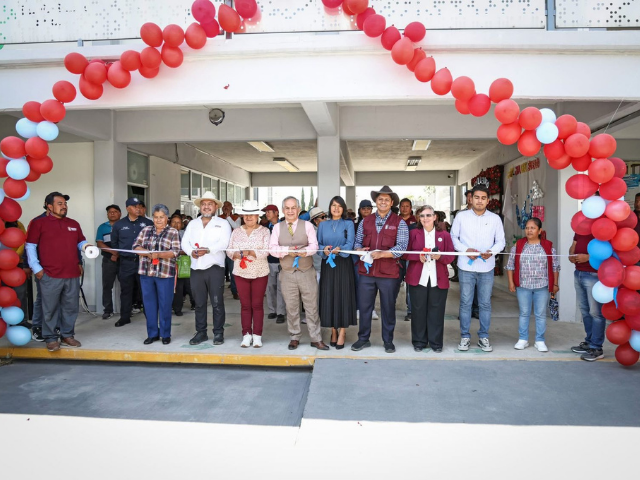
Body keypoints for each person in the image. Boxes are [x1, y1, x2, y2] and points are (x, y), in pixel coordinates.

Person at [25, 192, 94, 352]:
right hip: (49, 274)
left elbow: (80, 242)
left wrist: (87, 247)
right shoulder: (39, 223)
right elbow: (30, 246)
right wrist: (36, 268)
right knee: (50, 308)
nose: (64, 206)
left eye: (65, 204)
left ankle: (67, 335)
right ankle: (50, 338)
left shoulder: (73, 224)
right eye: (60, 203)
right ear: (49, 206)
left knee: (70, 307)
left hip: (71, 273)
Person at [351, 186, 409, 354]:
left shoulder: (399, 222)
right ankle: (363, 338)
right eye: (380, 199)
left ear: (391, 203)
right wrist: (359, 249)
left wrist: (382, 254)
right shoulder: (365, 221)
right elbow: (357, 242)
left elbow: (402, 247)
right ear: (376, 202)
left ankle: (388, 340)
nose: (383, 202)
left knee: (388, 308)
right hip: (367, 272)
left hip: (389, 273)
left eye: (386, 200)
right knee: (364, 307)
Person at [451, 184, 506, 353]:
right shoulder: (461, 216)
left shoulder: (495, 219)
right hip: (466, 267)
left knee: (485, 303)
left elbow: (501, 241)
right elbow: (453, 237)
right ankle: (465, 337)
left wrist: (492, 251)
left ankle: (483, 337)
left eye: (483, 198)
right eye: (476, 197)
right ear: (471, 199)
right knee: (465, 303)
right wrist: (465, 250)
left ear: (488, 200)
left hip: (486, 267)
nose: (480, 201)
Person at [268, 196, 328, 351]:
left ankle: (316, 338)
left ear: (298, 209)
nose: (290, 211)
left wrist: (304, 251)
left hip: (306, 271)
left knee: (311, 307)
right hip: (287, 272)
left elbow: (314, 246)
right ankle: (294, 336)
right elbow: (272, 249)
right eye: (287, 208)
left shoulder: (307, 225)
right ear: (283, 210)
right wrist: (287, 250)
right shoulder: (277, 228)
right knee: (291, 307)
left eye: (293, 207)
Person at [182, 192, 231, 346]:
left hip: (214, 267)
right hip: (196, 267)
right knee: (199, 303)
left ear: (215, 207)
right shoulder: (192, 224)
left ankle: (218, 333)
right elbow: (184, 242)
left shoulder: (223, 223)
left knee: (217, 302)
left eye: (210, 204)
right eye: (204, 204)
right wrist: (191, 252)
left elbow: (225, 242)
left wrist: (208, 250)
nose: (206, 207)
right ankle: (201, 332)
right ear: (200, 207)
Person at [404, 205, 455, 353]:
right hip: (417, 278)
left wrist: (441, 257)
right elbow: (404, 253)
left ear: (434, 217)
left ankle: (436, 343)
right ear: (419, 218)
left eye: (428, 215)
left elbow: (451, 256)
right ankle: (419, 341)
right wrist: (417, 256)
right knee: (418, 311)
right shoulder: (413, 233)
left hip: (438, 278)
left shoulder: (444, 235)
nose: (425, 218)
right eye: (422, 216)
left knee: (437, 312)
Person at [505, 218, 560, 352]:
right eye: (527, 228)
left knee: (540, 314)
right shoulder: (519, 245)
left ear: (540, 231)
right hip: (523, 286)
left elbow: (555, 267)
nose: (529, 231)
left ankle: (540, 340)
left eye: (533, 228)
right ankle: (523, 339)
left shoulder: (548, 246)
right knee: (524, 313)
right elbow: (510, 265)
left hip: (542, 286)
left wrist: (555, 284)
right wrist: (511, 282)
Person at [132, 204, 181, 345]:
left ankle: (165, 334)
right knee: (149, 305)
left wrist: (158, 254)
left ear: (167, 218)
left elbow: (175, 251)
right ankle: (152, 334)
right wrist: (147, 253)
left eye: (161, 217)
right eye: (156, 217)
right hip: (146, 273)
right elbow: (135, 246)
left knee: (165, 305)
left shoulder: (172, 232)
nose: (158, 220)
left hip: (165, 274)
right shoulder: (145, 230)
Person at [227, 200, 271, 348]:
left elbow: (267, 251)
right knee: (245, 305)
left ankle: (257, 335)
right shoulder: (236, 231)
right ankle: (246, 334)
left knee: (257, 305)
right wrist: (236, 254)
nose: (249, 217)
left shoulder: (265, 231)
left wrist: (250, 252)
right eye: (246, 215)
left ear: (257, 216)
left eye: (252, 214)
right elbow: (229, 250)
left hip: (260, 272)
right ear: (242, 216)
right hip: (240, 272)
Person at [317, 196, 356, 349]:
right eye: (333, 205)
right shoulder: (323, 225)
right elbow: (318, 244)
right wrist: (324, 249)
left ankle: (343, 332)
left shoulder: (348, 224)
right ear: (330, 207)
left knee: (343, 296)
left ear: (343, 208)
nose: (336, 208)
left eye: (339, 206)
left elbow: (350, 243)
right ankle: (333, 331)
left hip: (344, 264)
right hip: (328, 264)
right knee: (330, 296)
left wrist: (341, 249)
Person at [110, 197, 149, 327]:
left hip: (143, 262)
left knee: (146, 290)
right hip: (126, 263)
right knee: (126, 291)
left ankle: (150, 317)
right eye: (134, 206)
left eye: (139, 206)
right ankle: (125, 317)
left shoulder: (147, 223)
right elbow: (114, 243)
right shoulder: (119, 225)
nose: (138, 209)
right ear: (128, 208)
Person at [569, 232, 606, 361]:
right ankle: (589, 343)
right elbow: (574, 245)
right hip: (578, 273)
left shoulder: (600, 229)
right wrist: (572, 254)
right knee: (585, 311)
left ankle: (597, 348)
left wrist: (588, 257)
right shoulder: (580, 229)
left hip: (593, 275)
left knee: (595, 313)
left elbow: (607, 253)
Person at [96, 204, 121, 320]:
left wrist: (118, 254)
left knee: (126, 285)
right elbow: (99, 243)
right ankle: (107, 310)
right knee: (107, 286)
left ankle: (126, 309)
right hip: (108, 260)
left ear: (120, 213)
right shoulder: (102, 227)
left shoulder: (124, 226)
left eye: (115, 211)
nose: (112, 213)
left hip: (123, 260)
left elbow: (127, 243)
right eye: (110, 212)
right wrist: (113, 253)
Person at [353, 200, 378, 320]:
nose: (366, 210)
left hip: (373, 256)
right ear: (360, 210)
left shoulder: (376, 222)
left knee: (373, 284)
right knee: (359, 283)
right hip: (358, 257)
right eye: (364, 208)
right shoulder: (354, 224)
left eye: (369, 208)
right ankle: (359, 308)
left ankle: (372, 309)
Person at [262, 204, 286, 324]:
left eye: (269, 211)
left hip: (282, 261)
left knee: (281, 288)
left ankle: (281, 312)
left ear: (276, 213)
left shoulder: (284, 227)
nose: (267, 214)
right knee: (270, 287)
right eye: (266, 212)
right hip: (269, 261)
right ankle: (272, 310)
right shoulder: (265, 228)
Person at [170, 214, 195, 316]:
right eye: (173, 222)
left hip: (184, 263)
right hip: (170, 264)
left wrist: (179, 252)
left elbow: (190, 247)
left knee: (188, 285)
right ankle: (176, 308)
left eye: (178, 223)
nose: (176, 225)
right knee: (177, 287)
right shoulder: (166, 233)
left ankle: (194, 303)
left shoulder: (185, 234)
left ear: (182, 224)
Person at [398, 198, 417, 322]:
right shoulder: (395, 220)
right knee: (394, 285)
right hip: (397, 258)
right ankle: (390, 308)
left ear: (410, 208)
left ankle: (410, 311)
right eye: (402, 206)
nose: (404, 208)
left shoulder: (416, 221)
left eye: (407, 206)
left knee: (411, 285)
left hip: (411, 258)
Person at [450, 190, 474, 283]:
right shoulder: (460, 213)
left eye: (472, 196)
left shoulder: (486, 214)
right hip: (463, 246)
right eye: (468, 196)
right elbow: (455, 232)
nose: (470, 198)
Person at [219, 201, 242, 300]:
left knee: (233, 270)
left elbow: (236, 228)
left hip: (232, 248)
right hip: (220, 249)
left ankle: (235, 291)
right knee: (220, 271)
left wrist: (228, 217)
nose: (226, 208)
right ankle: (218, 292)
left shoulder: (236, 218)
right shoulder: (218, 218)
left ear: (232, 208)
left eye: (228, 206)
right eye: (224, 206)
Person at [309, 207, 327, 282]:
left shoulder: (325, 229)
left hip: (325, 267)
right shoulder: (311, 232)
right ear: (315, 220)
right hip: (317, 268)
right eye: (322, 217)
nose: (325, 219)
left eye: (325, 216)